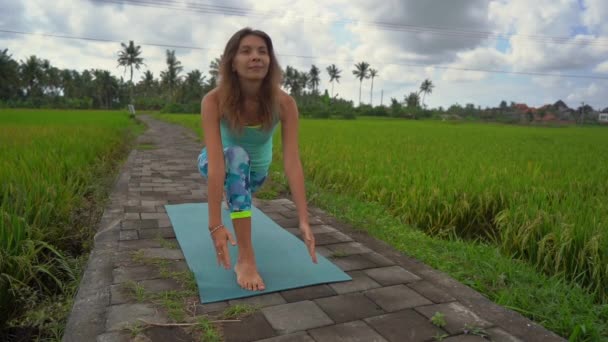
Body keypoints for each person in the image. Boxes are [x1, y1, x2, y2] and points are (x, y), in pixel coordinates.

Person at [197, 27, 317, 292]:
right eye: (246, 51)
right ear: (232, 61)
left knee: (241, 180)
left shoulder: (284, 103)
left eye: (263, 52)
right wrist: (215, 224)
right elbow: (217, 165)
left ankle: (237, 198)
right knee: (236, 159)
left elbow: (292, 163)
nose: (256, 57)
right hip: (218, 162)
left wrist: (304, 219)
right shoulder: (214, 101)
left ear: (270, 62)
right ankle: (246, 259)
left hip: (256, 175)